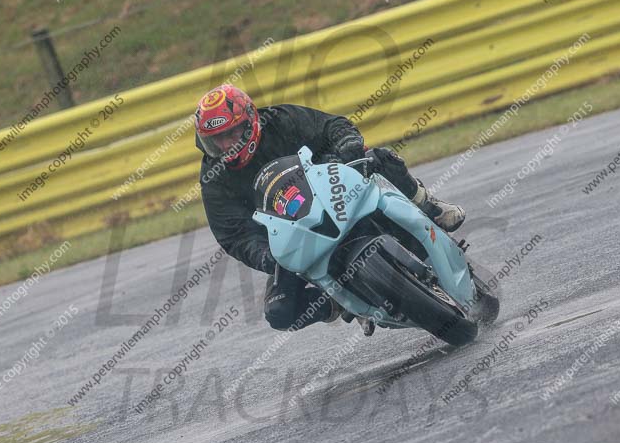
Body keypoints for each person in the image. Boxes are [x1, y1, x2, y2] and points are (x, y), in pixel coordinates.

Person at [194, 84, 465, 332]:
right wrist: (264, 255)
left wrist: (348, 144)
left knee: (380, 158)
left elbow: (331, 125)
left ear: (251, 121)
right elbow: (233, 235)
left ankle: (428, 205)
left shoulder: (280, 120)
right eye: (216, 140)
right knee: (280, 312)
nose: (226, 145)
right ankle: (337, 302)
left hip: (333, 190)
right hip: (292, 237)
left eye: (231, 134)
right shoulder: (214, 178)